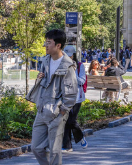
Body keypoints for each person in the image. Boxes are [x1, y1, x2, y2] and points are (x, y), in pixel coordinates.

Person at [28, 29, 78, 165]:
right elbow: (44, 85)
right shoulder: (45, 61)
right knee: (36, 147)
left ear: (58, 45)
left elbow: (72, 92)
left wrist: (62, 111)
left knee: (55, 151)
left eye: (48, 42)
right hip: (42, 110)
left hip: (56, 113)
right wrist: (38, 80)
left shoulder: (67, 65)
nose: (45, 45)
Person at [62, 46, 87, 152]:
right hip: (65, 97)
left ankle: (80, 137)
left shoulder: (79, 66)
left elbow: (82, 80)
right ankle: (67, 146)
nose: (68, 57)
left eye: (70, 55)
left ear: (73, 55)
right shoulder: (62, 65)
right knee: (66, 121)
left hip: (77, 97)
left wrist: (73, 74)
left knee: (71, 120)